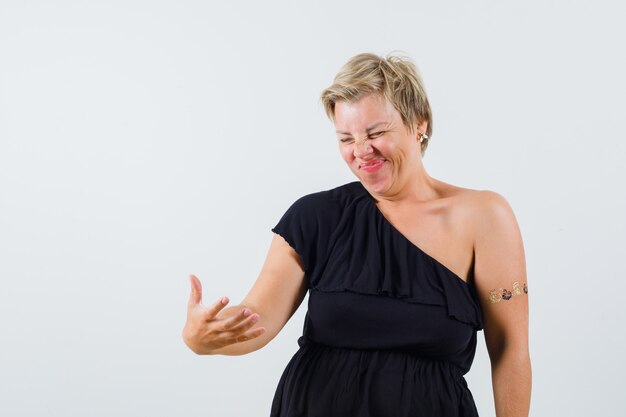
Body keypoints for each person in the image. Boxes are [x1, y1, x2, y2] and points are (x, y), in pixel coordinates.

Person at [182, 52, 532, 417]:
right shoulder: (315, 217)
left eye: (377, 133)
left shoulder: (484, 218)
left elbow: (511, 349)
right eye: (346, 138)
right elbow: (257, 318)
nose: (361, 151)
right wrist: (202, 336)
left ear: (419, 125)